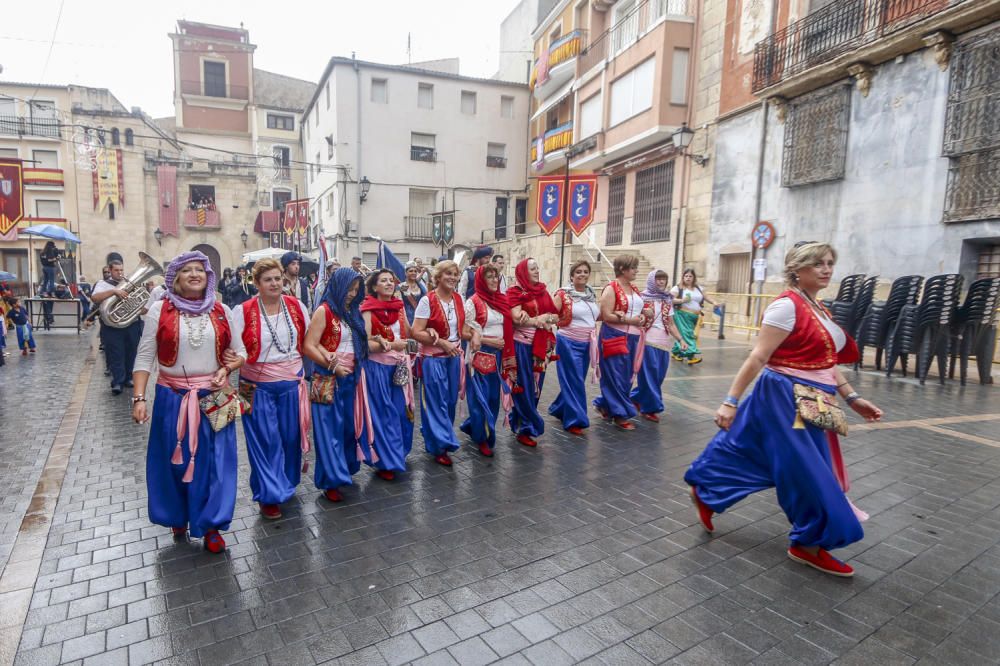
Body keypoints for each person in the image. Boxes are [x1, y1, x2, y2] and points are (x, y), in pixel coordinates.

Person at [685, 242, 884, 577]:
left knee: (762, 452)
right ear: (797, 269)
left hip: (815, 397)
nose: (826, 269)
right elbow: (758, 357)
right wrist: (729, 401)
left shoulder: (819, 308)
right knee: (806, 470)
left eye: (830, 263)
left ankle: (707, 489)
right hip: (785, 395)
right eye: (818, 263)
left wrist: (852, 398)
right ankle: (807, 544)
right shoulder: (786, 307)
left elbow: (827, 363)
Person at [131, 251, 246, 554]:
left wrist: (227, 368)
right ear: (176, 279)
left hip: (216, 397)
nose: (195, 274)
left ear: (209, 277)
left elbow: (241, 352)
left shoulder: (221, 309)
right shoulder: (160, 310)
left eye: (201, 270)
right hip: (172, 397)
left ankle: (210, 525)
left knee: (218, 465)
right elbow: (144, 357)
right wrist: (139, 398)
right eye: (187, 271)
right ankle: (178, 515)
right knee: (173, 461)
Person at [231, 259, 311, 519]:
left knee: (290, 438)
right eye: (268, 279)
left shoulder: (297, 306)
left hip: (292, 382)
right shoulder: (242, 311)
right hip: (252, 385)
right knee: (263, 441)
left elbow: (309, 341)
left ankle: (285, 484)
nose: (275, 283)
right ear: (257, 283)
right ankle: (267, 494)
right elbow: (233, 349)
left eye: (278, 278)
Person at [303, 268, 366, 501]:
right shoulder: (324, 310)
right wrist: (333, 366)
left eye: (356, 290)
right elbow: (309, 345)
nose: (351, 294)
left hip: (351, 377)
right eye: (349, 289)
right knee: (329, 431)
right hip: (328, 378)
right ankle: (331, 480)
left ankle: (344, 470)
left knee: (348, 428)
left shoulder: (352, 312)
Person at [410, 260, 471, 466]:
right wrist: (442, 342)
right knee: (436, 403)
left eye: (455, 274)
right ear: (438, 277)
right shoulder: (427, 300)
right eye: (448, 274)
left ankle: (436, 435)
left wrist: (477, 334)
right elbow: (415, 332)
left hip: (454, 358)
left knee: (451, 402)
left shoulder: (459, 299)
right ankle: (440, 445)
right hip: (434, 359)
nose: (453, 277)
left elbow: (461, 331)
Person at [358, 269, 415, 480]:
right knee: (383, 415)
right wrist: (391, 345)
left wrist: (431, 333)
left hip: (399, 367)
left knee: (401, 412)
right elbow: (364, 345)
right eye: (384, 281)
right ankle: (385, 462)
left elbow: (409, 333)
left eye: (391, 280)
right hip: (377, 369)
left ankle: (397, 453)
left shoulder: (399, 308)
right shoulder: (367, 310)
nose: (389, 284)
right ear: (374, 287)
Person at [460, 264, 515, 457]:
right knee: (479, 399)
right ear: (481, 280)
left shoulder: (501, 300)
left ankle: (473, 427)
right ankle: (482, 438)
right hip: (480, 355)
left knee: (492, 397)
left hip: (498, 356)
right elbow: (464, 332)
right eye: (489, 277)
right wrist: (488, 340)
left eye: (495, 276)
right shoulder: (473, 302)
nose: (493, 280)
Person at [594, 255, 651, 430]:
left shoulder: (633, 288)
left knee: (627, 376)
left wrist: (643, 314)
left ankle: (605, 404)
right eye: (633, 268)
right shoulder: (611, 288)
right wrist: (630, 320)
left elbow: (638, 309)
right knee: (616, 375)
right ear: (622, 269)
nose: (636, 271)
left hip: (633, 337)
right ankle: (619, 414)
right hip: (614, 335)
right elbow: (606, 315)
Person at [508, 258, 559, 447]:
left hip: (540, 347)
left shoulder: (543, 291)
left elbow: (555, 315)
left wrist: (545, 318)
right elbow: (516, 319)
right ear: (523, 272)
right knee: (524, 386)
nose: (537, 271)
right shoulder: (515, 292)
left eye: (537, 267)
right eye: (532, 269)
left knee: (536, 387)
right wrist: (540, 319)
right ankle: (527, 427)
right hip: (522, 345)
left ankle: (522, 422)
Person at [549, 260, 599, 435]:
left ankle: (559, 408)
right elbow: (552, 314)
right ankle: (575, 420)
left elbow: (594, 316)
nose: (582, 274)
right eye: (578, 272)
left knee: (575, 379)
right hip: (568, 342)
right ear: (572, 276)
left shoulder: (591, 294)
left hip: (587, 343)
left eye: (585, 271)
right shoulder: (563, 294)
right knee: (575, 381)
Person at [631, 270, 687, 422]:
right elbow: (633, 317)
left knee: (658, 377)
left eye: (664, 279)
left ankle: (635, 398)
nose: (662, 282)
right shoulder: (641, 298)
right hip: (647, 342)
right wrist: (643, 311)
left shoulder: (667, 299)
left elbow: (671, 323)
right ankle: (650, 408)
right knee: (649, 376)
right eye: (658, 279)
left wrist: (681, 340)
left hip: (664, 344)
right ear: (651, 281)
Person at [91, 258, 143, 394]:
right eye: (116, 270)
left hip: (131, 323)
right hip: (112, 326)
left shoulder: (130, 283)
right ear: (110, 270)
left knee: (132, 351)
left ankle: (129, 378)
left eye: (121, 270)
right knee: (116, 353)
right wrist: (114, 292)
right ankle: (118, 382)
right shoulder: (103, 284)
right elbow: (95, 298)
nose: (120, 273)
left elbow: (141, 304)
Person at [671, 268, 715, 365]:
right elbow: (670, 299)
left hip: (695, 316)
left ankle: (676, 352)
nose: (688, 278)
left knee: (685, 334)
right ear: (683, 277)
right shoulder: (678, 288)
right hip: (682, 314)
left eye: (690, 276)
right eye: (686, 276)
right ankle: (691, 356)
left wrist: (714, 303)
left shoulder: (699, 288)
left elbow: (706, 297)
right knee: (688, 334)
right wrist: (682, 300)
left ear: (694, 277)